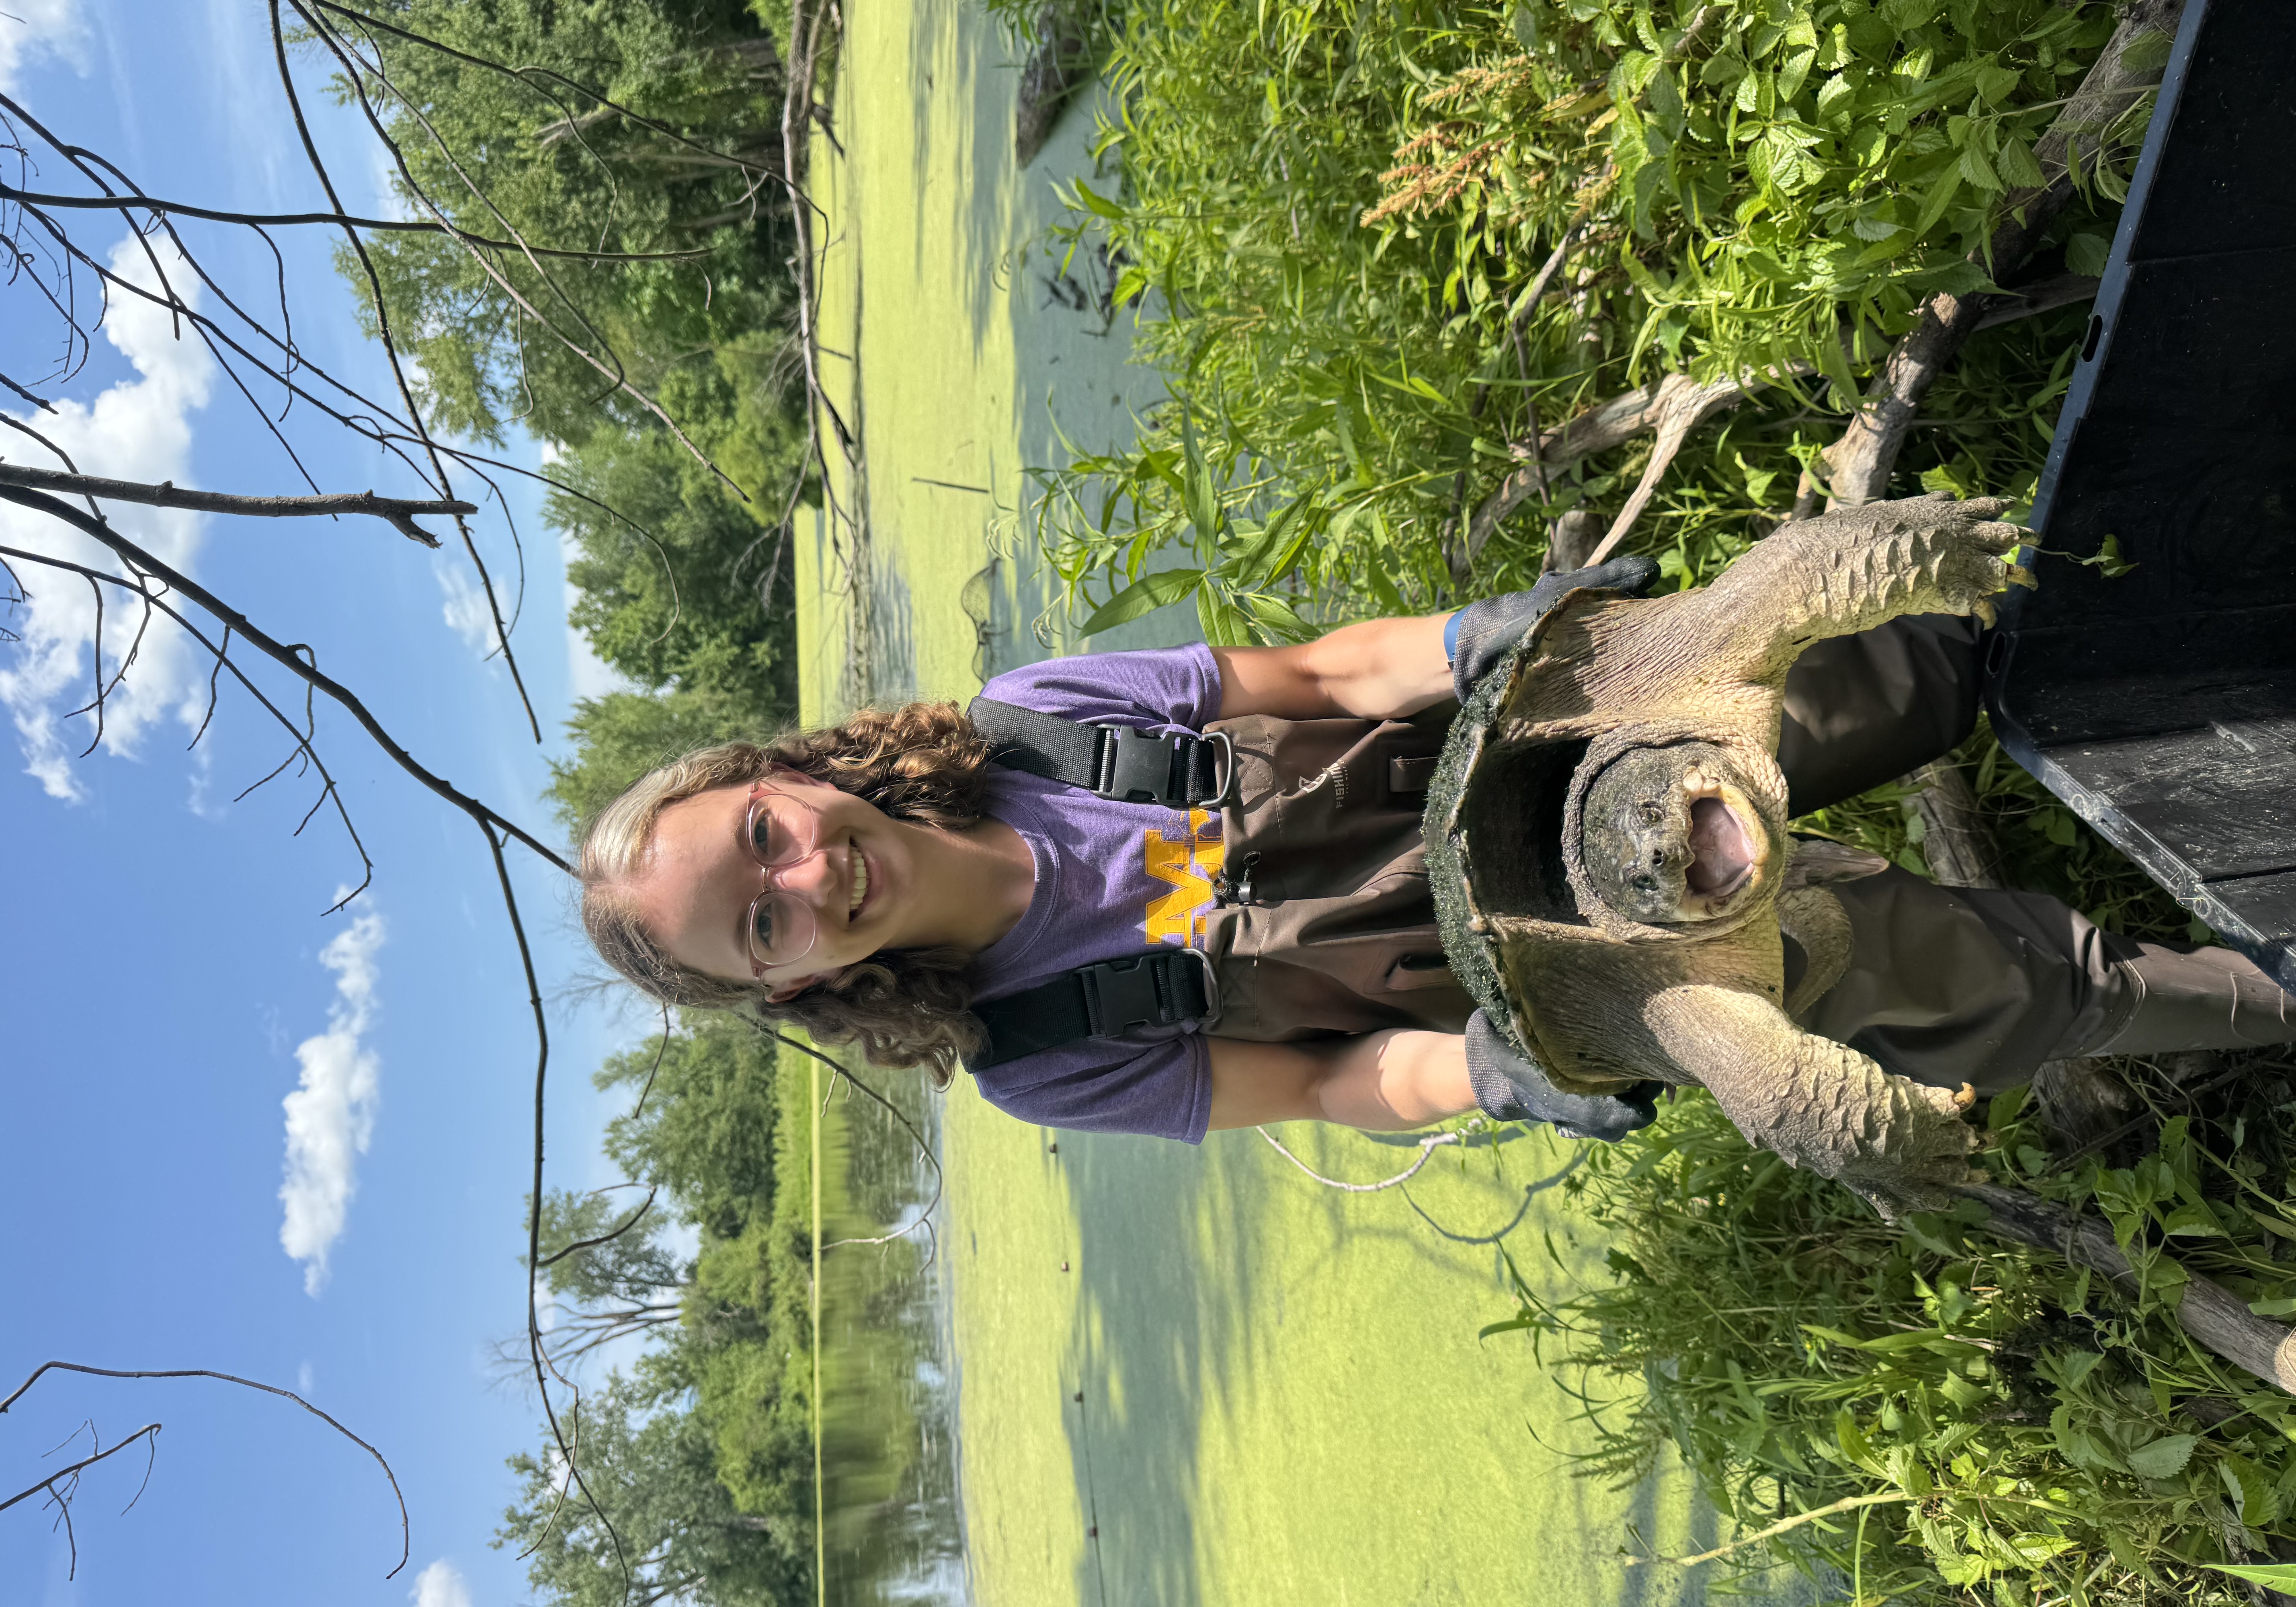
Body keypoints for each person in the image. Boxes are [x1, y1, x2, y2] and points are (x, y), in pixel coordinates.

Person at [578, 562, 2296, 1145]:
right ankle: (2267, 989)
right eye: (758, 928)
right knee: (2006, 991)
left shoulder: (1035, 720)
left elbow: (1326, 676)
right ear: (796, 987)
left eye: (761, 837)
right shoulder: (1036, 1058)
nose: (804, 876)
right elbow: (1332, 1090)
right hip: (1602, 956)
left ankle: (2194, 628)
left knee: (1913, 666)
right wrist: (1491, 1073)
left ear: (784, 775)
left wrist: (1490, 631)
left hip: (1591, 741)